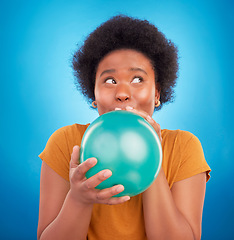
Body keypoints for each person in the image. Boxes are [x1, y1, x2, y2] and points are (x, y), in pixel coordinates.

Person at [37, 15, 211, 240]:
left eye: (138, 79)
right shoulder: (65, 143)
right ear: (94, 95)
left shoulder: (184, 147)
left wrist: (152, 160)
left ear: (157, 93)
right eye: (110, 81)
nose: (122, 93)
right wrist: (79, 199)